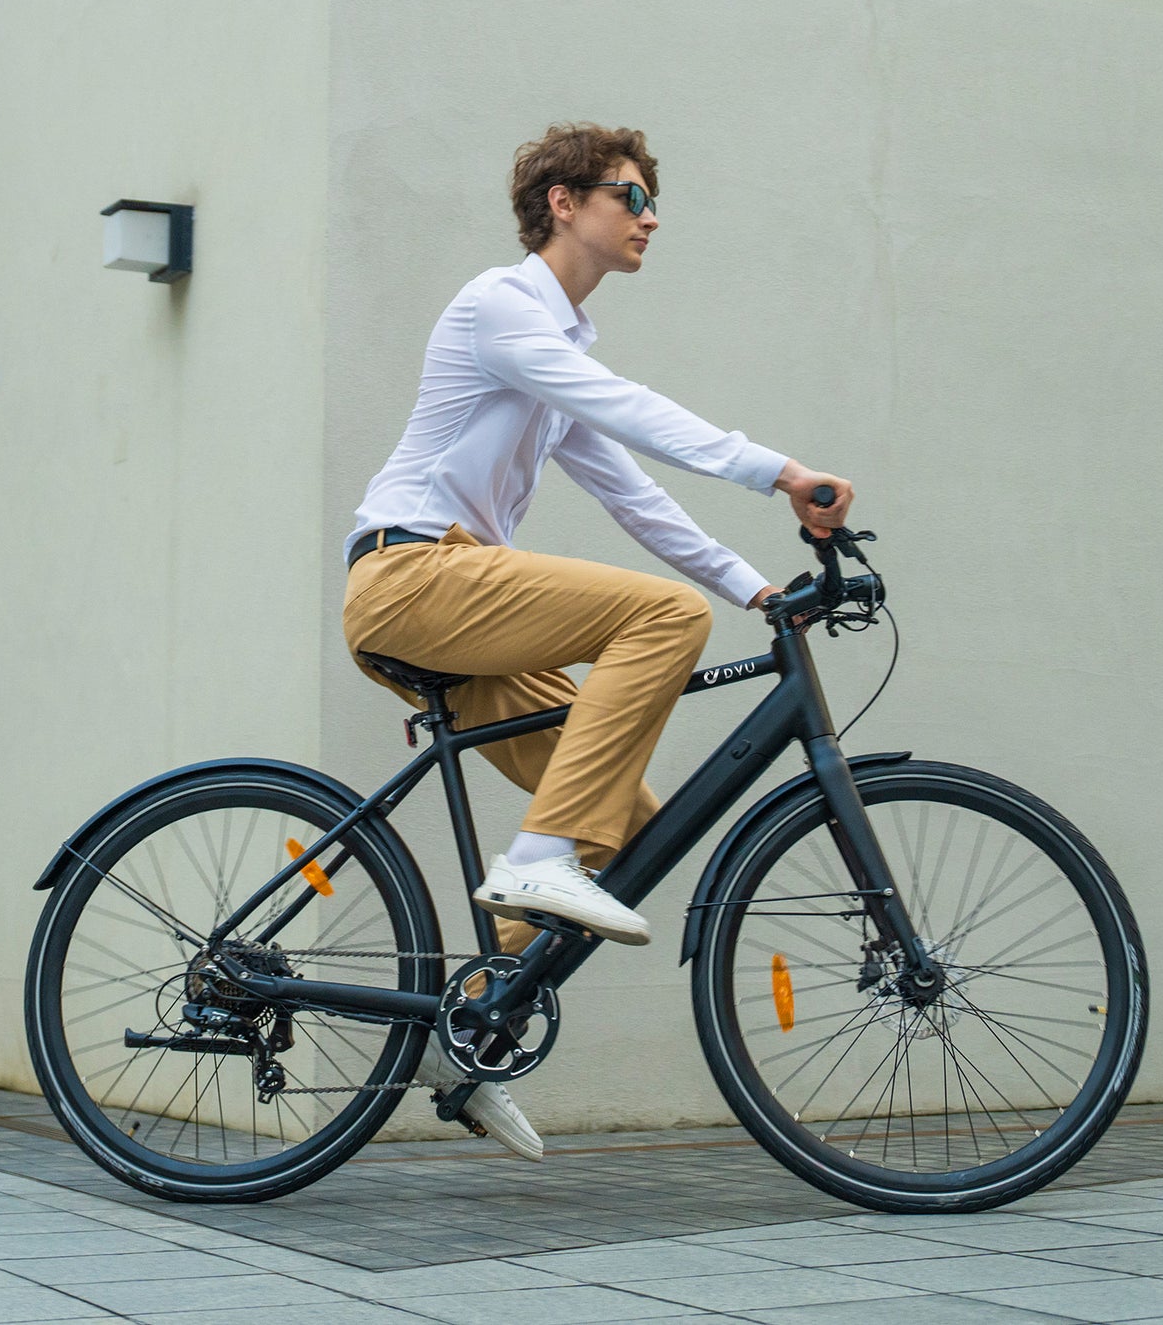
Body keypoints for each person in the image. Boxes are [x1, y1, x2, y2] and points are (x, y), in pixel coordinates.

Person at [342, 123, 851, 1158]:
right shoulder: (500, 309)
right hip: (413, 573)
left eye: (652, 200)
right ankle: (535, 858)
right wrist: (778, 471)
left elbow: (637, 497)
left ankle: (467, 1033)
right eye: (631, 195)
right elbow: (629, 411)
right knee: (660, 616)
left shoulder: (556, 358)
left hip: (457, 604)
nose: (649, 216)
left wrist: (760, 590)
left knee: (625, 830)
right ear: (563, 204)